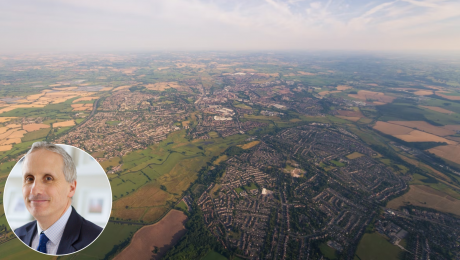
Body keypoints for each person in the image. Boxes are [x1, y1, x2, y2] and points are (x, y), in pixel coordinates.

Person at [14, 142, 102, 255]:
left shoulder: (96, 239)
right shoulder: (18, 234)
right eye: (30, 179)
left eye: (48, 178)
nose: (35, 190)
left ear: (71, 188)